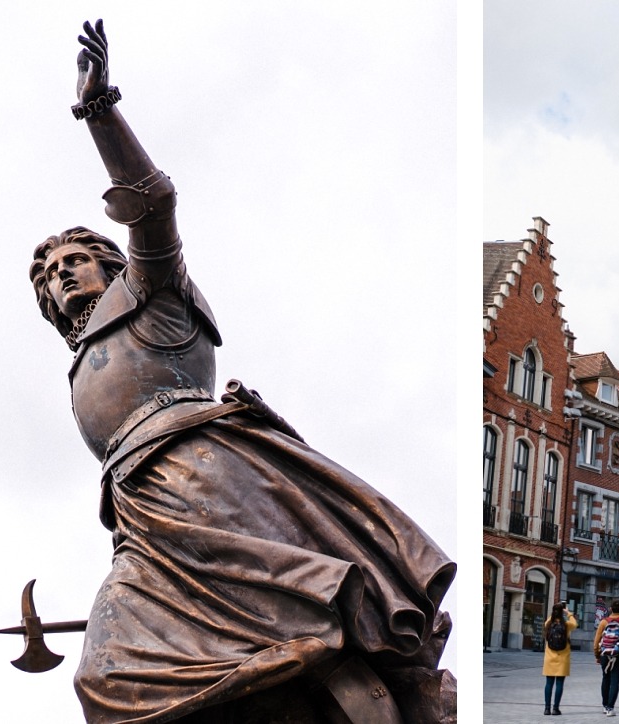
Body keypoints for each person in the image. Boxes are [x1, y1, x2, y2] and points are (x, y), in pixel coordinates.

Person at [29, 20, 455, 724]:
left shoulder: (150, 300)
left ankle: (360, 681)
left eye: (73, 259)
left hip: (199, 471)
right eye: (47, 273)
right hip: (138, 514)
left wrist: (99, 112)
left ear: (111, 267)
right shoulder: (81, 364)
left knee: (281, 607)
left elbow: (156, 203)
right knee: (105, 674)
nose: (60, 273)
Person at [593, 599, 619, 717]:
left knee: (605, 678)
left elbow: (596, 641)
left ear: (610, 609)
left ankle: (604, 705)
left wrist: (597, 655)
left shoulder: (603, 622)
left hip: (605, 654)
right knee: (615, 679)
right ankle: (610, 708)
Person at [542, 602, 577, 716]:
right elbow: (575, 624)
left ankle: (547, 709)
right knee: (559, 683)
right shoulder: (566, 624)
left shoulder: (549, 623)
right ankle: (555, 708)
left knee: (549, 683)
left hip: (550, 657)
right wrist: (568, 613)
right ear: (562, 612)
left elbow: (546, 622)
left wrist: (555, 610)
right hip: (563, 656)